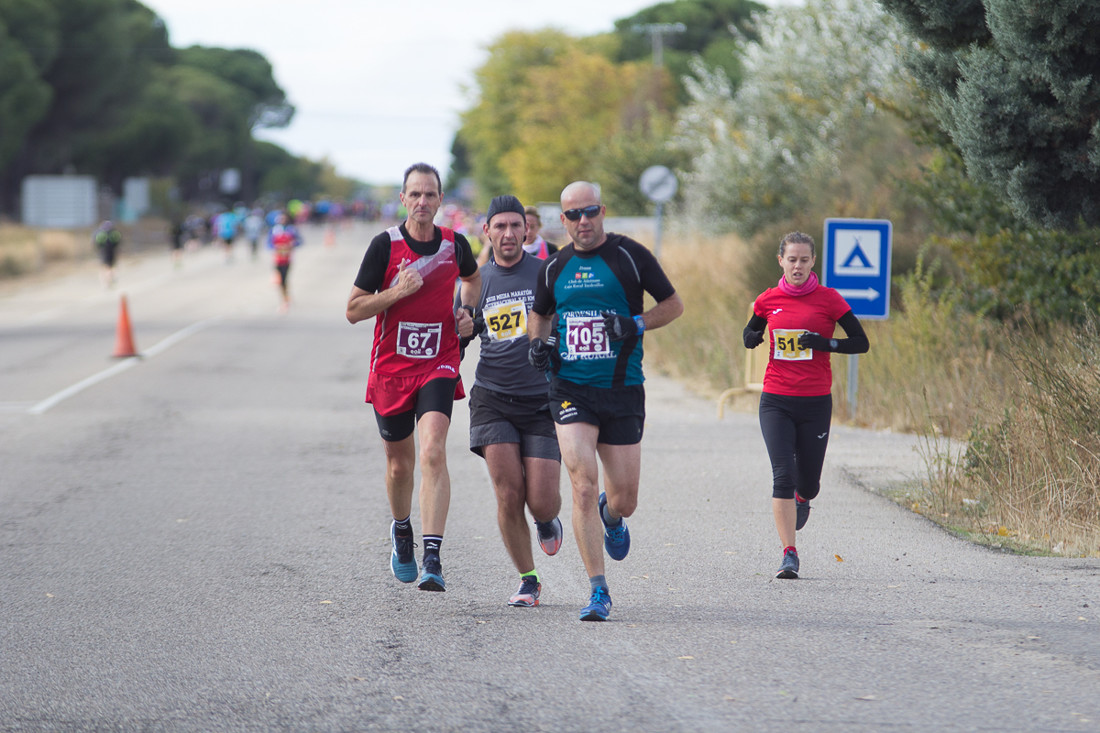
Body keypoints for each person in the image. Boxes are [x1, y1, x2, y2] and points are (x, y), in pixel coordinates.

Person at [527, 181, 684, 621]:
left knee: (625, 498)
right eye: (573, 215)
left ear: (602, 211)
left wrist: (635, 323)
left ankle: (611, 518)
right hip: (570, 388)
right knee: (581, 484)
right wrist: (536, 344)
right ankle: (598, 590)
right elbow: (539, 313)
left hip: (623, 390)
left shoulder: (630, 256)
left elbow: (673, 305)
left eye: (590, 211)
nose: (583, 221)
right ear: (563, 220)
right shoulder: (554, 266)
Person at [346, 162, 481, 593]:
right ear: (403, 199)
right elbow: (353, 310)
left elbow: (473, 279)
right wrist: (396, 293)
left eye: (430, 195)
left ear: (441, 200)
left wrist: (468, 315)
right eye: (415, 195)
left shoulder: (454, 244)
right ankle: (402, 529)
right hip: (391, 369)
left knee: (434, 452)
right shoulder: (384, 246)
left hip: (438, 362)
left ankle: (433, 556)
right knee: (399, 464)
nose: (423, 202)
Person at [742, 231, 870, 579]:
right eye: (791, 259)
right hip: (776, 400)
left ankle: (804, 498)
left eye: (804, 260)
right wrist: (752, 338)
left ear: (813, 261)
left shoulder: (829, 300)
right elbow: (750, 332)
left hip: (815, 402)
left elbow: (861, 343)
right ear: (780, 261)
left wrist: (825, 343)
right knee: (782, 475)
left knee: (808, 483)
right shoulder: (768, 299)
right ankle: (789, 553)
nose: (797, 266)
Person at [458, 195, 564, 609]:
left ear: (527, 230)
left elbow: (566, 323)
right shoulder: (475, 282)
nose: (507, 234)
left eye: (514, 226)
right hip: (492, 398)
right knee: (507, 492)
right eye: (498, 226)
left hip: (541, 399)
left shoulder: (546, 273)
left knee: (541, 499)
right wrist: (463, 329)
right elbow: (459, 338)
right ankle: (528, 578)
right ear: (486, 232)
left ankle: (545, 519)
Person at [269, 213, 301, 313]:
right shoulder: (274, 230)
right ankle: (284, 298)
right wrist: (276, 247)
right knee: (280, 280)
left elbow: (299, 241)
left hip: (287, 259)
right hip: (277, 259)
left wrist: (292, 244)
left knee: (285, 279)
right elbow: (269, 244)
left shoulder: (291, 230)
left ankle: (286, 297)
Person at [93, 220, 121, 287]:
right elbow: (118, 241)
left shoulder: (100, 233)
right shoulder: (114, 233)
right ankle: (111, 278)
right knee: (111, 266)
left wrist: (98, 249)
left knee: (104, 267)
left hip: (103, 251)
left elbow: (96, 243)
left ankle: (106, 281)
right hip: (112, 251)